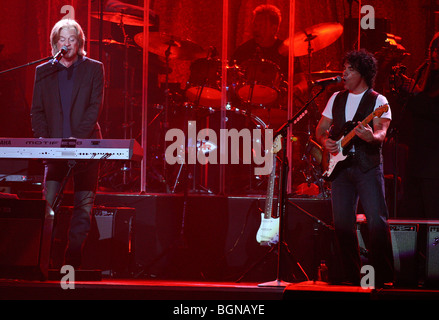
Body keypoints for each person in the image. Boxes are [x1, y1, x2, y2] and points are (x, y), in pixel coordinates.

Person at [315, 49, 394, 287]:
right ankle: (350, 276)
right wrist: (325, 142)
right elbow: (321, 130)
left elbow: (382, 132)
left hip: (367, 167)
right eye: (344, 68)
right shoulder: (336, 98)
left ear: (363, 73)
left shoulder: (378, 101)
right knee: (341, 223)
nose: (344, 73)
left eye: (350, 69)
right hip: (340, 169)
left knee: (376, 221)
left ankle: (384, 278)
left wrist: (371, 136)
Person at [31, 19, 105, 269]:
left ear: (79, 42)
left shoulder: (94, 68)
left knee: (84, 207)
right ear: (55, 43)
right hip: (54, 150)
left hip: (86, 147)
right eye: (62, 39)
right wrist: (45, 141)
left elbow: (94, 107)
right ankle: (47, 257)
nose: (67, 43)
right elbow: (37, 111)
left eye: (71, 39)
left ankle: (73, 255)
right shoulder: (44, 70)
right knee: (48, 204)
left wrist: (79, 138)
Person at [231, 4, 308, 127]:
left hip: (278, 111)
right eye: (255, 25)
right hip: (247, 111)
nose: (256, 29)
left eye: (261, 26)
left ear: (274, 28)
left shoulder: (286, 51)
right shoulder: (243, 51)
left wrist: (295, 90)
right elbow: (230, 82)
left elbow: (303, 82)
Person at [399, 32, 439, 219]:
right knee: (413, 215)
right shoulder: (426, 73)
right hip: (417, 158)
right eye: (432, 50)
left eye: (438, 51)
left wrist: (415, 93)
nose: (434, 55)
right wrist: (405, 91)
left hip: (433, 162)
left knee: (433, 217)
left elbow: (433, 110)